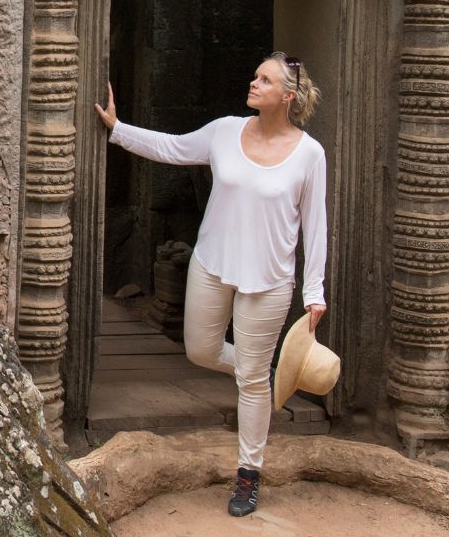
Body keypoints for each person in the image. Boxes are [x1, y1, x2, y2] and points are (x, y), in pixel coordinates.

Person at [93, 52, 328, 518]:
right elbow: (174, 148)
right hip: (212, 264)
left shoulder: (309, 153)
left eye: (264, 79)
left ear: (288, 95)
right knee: (200, 351)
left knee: (251, 384)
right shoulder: (224, 131)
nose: (253, 82)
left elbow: (315, 224)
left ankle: (248, 473)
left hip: (269, 278)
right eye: (255, 74)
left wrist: (314, 294)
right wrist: (119, 130)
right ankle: (262, 374)